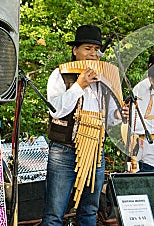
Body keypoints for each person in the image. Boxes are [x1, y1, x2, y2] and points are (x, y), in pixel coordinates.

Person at [42, 25, 128, 225]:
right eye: (87, 48)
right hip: (63, 151)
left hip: (95, 151)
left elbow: (108, 120)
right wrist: (79, 86)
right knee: (55, 213)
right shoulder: (61, 74)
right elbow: (56, 111)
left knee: (89, 211)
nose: (93, 54)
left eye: (96, 50)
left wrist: (118, 114)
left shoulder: (104, 79)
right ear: (75, 50)